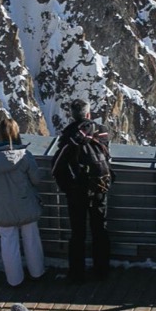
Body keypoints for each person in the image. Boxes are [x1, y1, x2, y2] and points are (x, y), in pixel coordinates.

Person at [0, 117, 45, 286]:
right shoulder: (25, 156)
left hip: (1, 207)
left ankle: (14, 280)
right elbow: (36, 180)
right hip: (26, 204)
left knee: (8, 242)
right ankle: (37, 273)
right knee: (31, 239)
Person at [51, 99, 113, 282]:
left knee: (78, 233)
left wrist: (67, 188)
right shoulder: (101, 131)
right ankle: (102, 271)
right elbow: (107, 156)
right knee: (100, 229)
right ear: (88, 114)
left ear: (72, 114)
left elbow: (57, 167)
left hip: (77, 192)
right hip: (99, 187)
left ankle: (77, 273)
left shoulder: (69, 136)